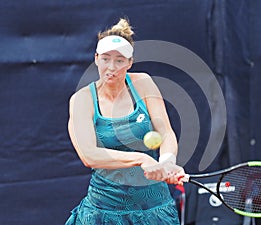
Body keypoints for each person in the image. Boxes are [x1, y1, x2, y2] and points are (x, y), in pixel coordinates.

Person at [65, 18, 185, 225]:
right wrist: (142, 159)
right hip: (103, 212)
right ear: (96, 59)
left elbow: (165, 131)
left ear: (130, 63)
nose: (111, 67)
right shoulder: (82, 100)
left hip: (155, 209)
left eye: (120, 60)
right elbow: (89, 155)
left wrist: (167, 161)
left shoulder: (144, 83)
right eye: (105, 59)